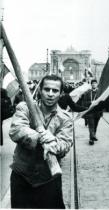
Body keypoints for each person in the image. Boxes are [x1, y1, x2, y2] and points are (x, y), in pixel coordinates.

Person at [9, 74, 73, 209]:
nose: (50, 94)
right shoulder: (24, 108)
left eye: (55, 91)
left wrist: (54, 142)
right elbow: (16, 130)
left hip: (49, 178)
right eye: (47, 89)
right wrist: (39, 136)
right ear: (40, 90)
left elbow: (65, 144)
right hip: (22, 177)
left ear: (61, 94)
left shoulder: (65, 118)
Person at [79, 79, 102, 145]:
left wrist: (97, 103)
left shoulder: (100, 92)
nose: (94, 84)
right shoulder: (87, 92)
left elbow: (102, 102)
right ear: (91, 84)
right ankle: (91, 139)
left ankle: (93, 135)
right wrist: (90, 102)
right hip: (90, 112)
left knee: (95, 126)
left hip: (97, 112)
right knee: (91, 125)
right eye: (93, 83)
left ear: (97, 84)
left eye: (95, 83)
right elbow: (84, 102)